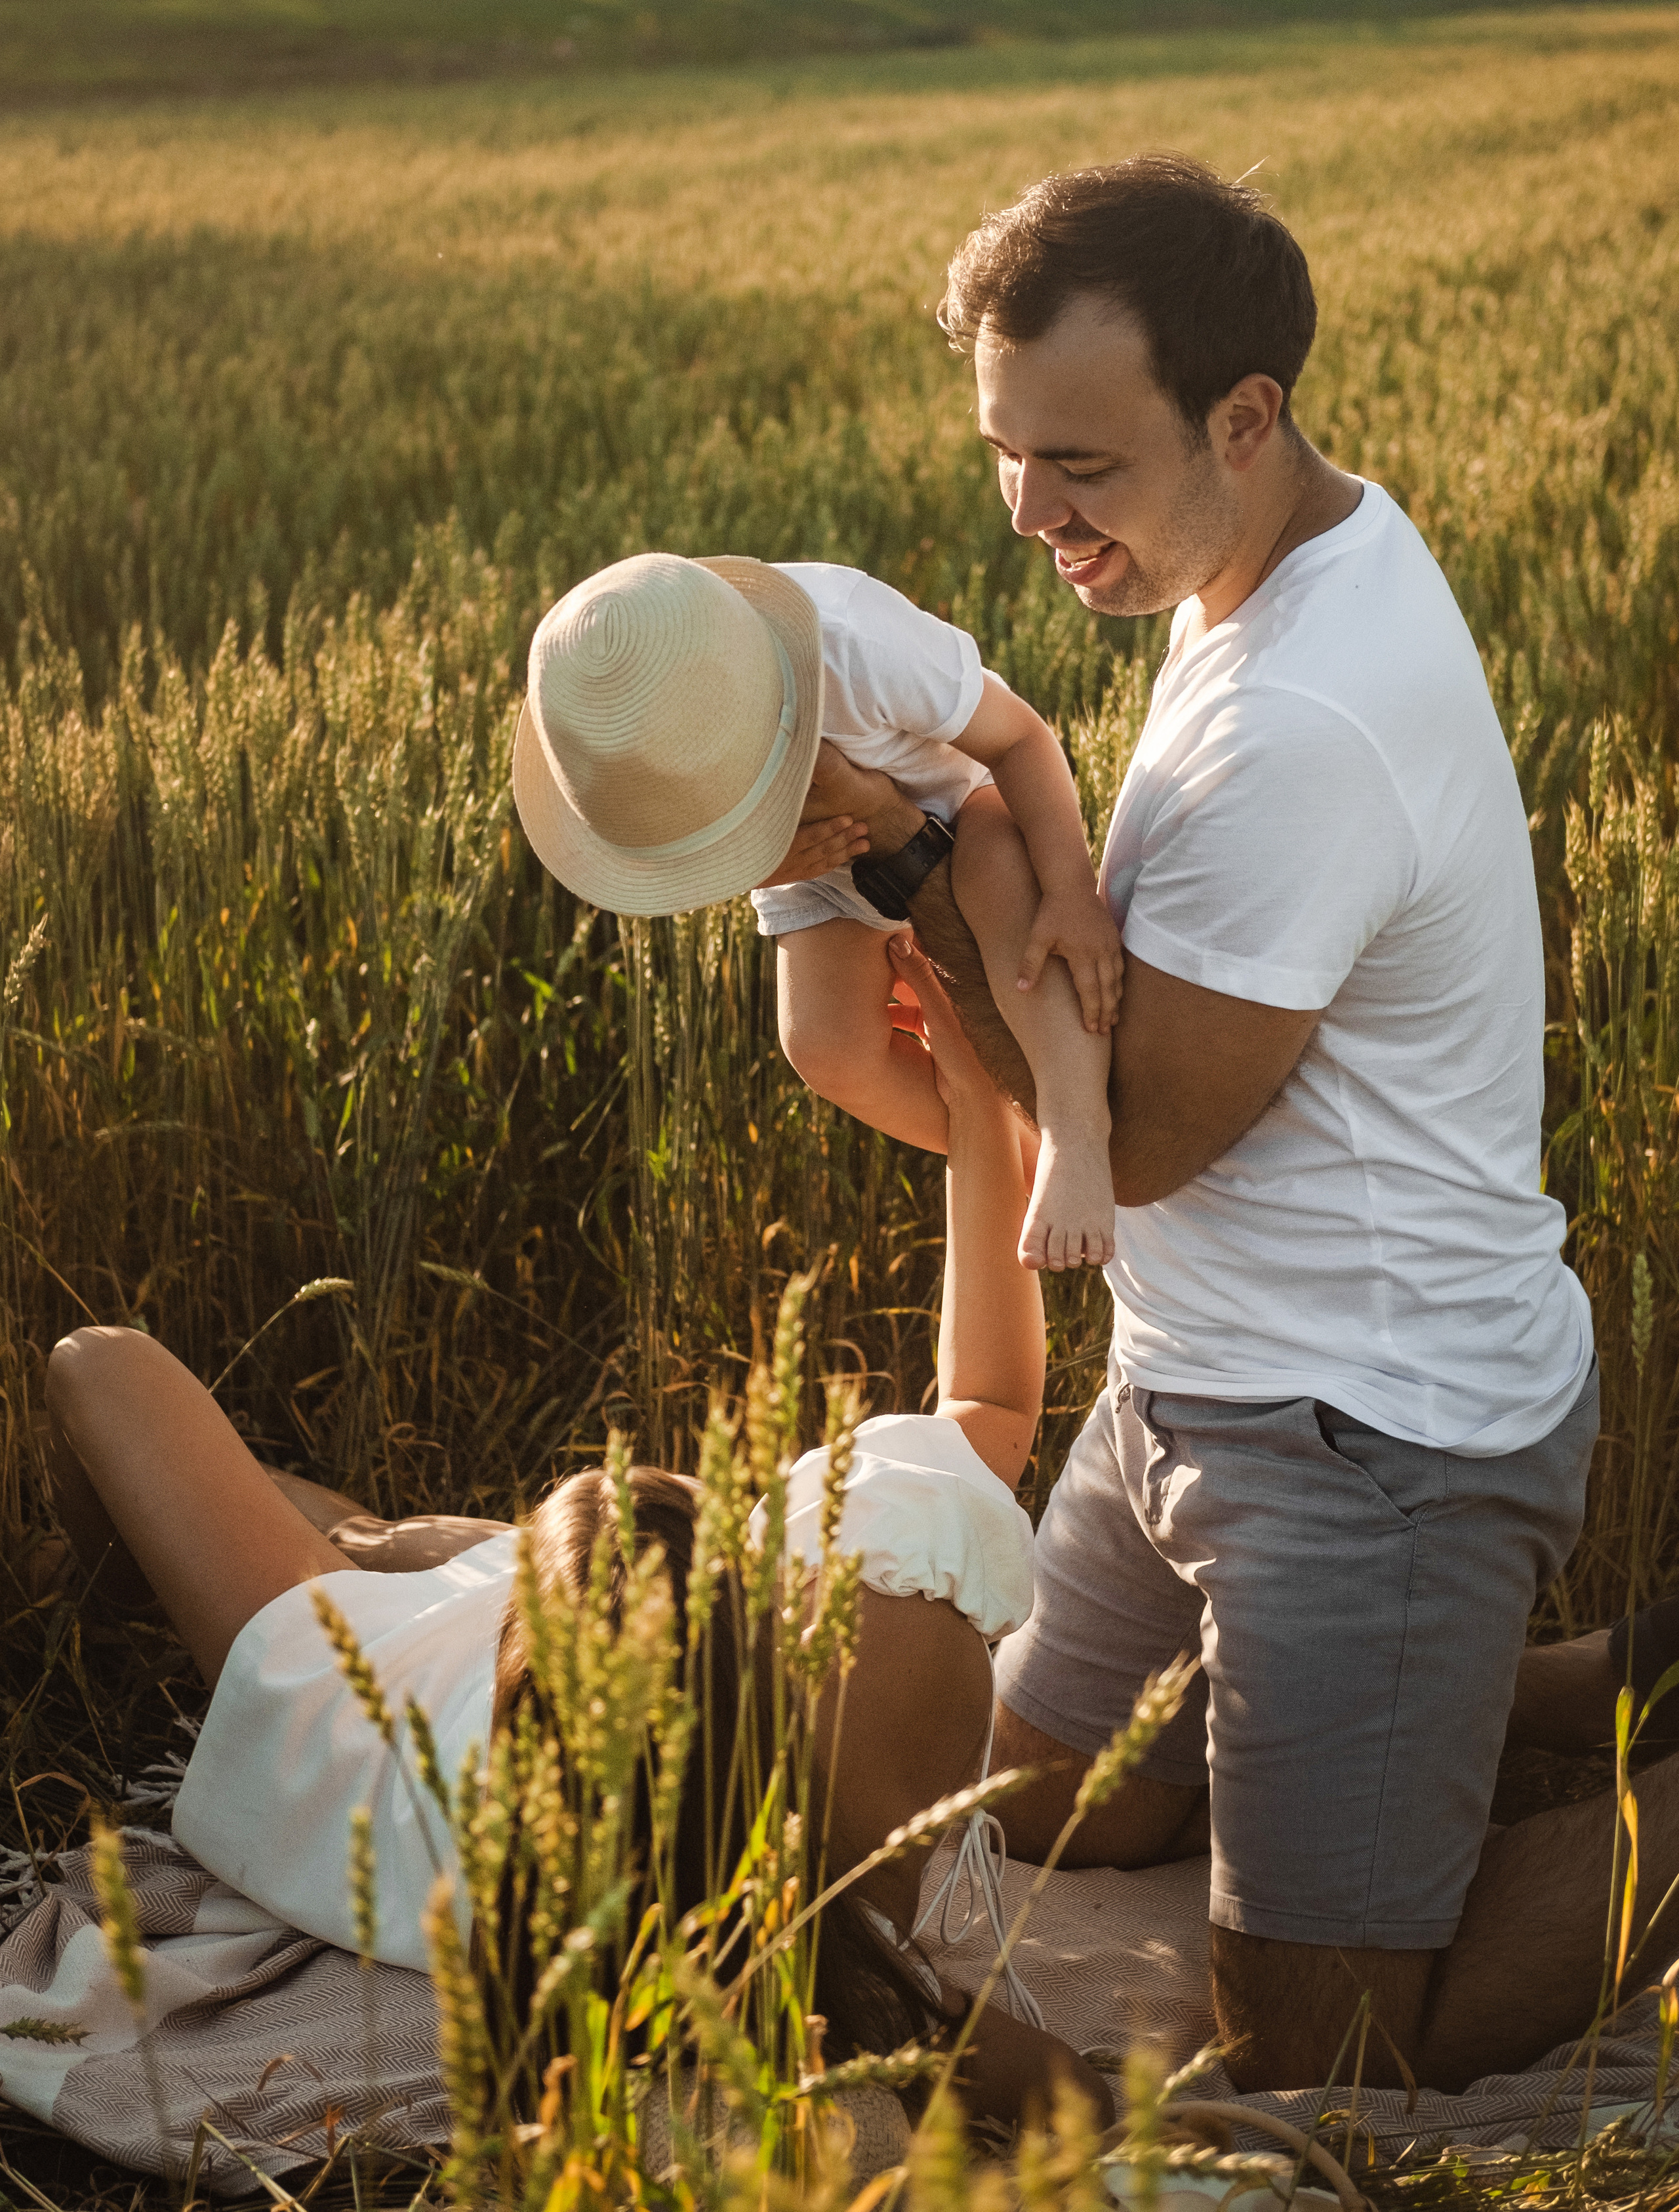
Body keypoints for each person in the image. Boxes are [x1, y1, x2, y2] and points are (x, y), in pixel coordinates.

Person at [796, 155, 1600, 2097]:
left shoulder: (1303, 719)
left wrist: (904, 855)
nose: (1029, 514)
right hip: (1188, 1390)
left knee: (1319, 2042)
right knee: (1037, 1814)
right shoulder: (1258, 552)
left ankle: (1429, 1694)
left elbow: (1140, 1137)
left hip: (1371, 1426)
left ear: (1241, 415)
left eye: (1078, 461)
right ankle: (1511, 1692)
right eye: (1006, 451)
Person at [37, 936, 1109, 2133]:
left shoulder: (391, 1777)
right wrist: (974, 1110)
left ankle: (400, 1552)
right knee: (401, 1545)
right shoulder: (877, 1715)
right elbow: (992, 1406)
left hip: (392, 1704)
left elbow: (96, 1366)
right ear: (755, 1610)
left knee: (334, 1527)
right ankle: (421, 1550)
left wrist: (102, 1582)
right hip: (542, 1672)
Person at [508, 548, 1120, 1271]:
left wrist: (1071, 892)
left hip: (962, 801)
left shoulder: (854, 642)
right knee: (823, 1047)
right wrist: (763, 862)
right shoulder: (622, 749)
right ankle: (1011, 1151)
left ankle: (1076, 1132)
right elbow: (684, 864)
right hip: (810, 859)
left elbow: (1018, 738)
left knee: (1008, 921)